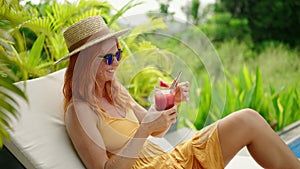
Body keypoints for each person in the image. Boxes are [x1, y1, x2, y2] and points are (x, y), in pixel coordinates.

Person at [55, 16, 300, 169]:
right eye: (108, 57)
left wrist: (169, 104)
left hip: (171, 160)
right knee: (246, 120)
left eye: (118, 54)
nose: (116, 63)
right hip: (157, 167)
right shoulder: (80, 111)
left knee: (248, 119)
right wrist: (144, 130)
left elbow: (157, 128)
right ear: (84, 62)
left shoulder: (115, 92)